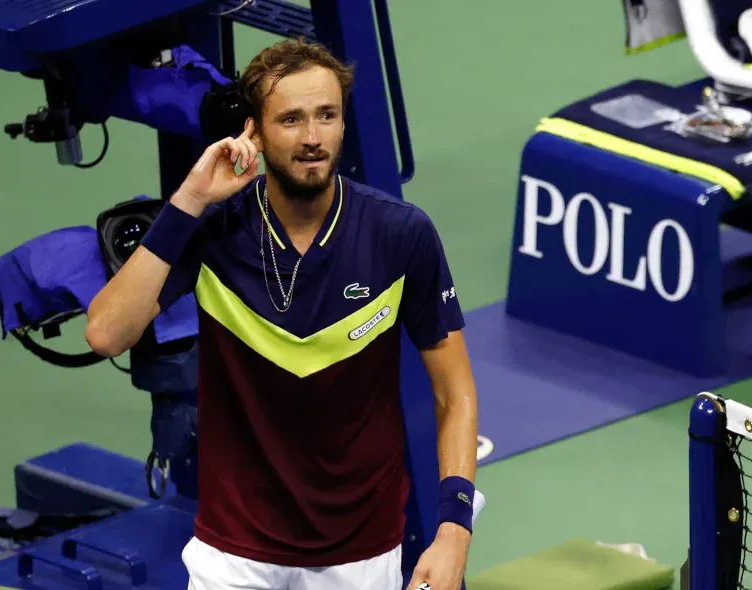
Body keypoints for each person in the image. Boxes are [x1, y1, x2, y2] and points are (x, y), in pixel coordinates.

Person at [85, 38, 478, 590]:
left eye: (327, 116)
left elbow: (454, 391)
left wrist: (453, 531)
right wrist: (191, 198)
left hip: (360, 558)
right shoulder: (214, 229)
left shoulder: (399, 234)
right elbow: (106, 333)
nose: (313, 138)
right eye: (291, 120)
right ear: (255, 130)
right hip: (233, 554)